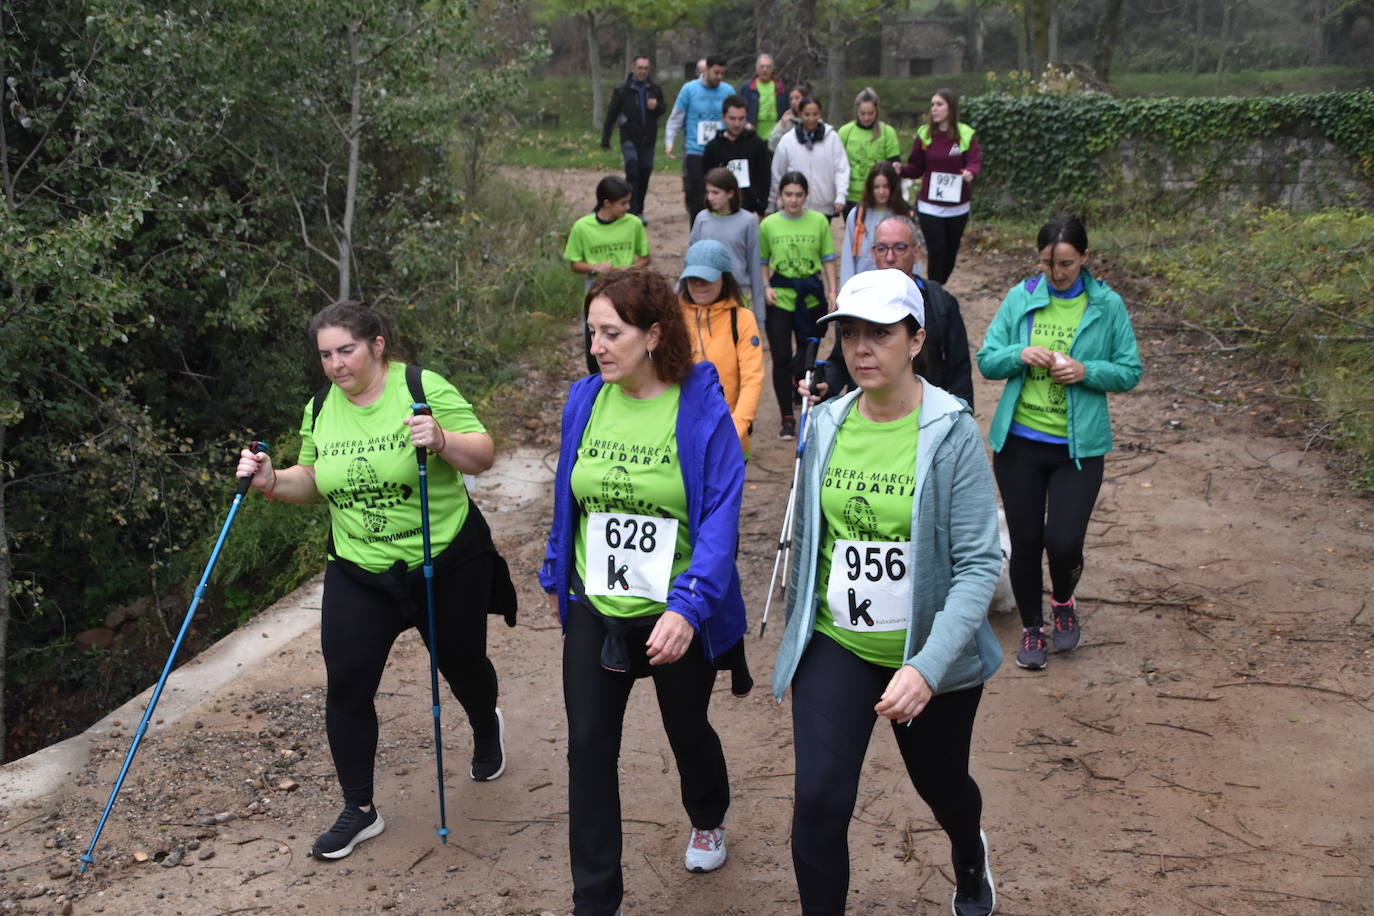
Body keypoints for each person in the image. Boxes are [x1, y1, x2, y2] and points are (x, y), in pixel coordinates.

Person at [234, 300, 516, 861]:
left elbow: (482, 454)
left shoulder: (421, 386)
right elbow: (313, 481)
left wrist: (440, 440)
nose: (337, 365)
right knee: (347, 683)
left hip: (442, 562)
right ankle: (359, 809)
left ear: (377, 345)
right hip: (359, 570)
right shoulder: (320, 407)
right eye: (326, 355)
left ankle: (486, 724)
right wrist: (271, 480)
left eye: (347, 350)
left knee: (462, 664)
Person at [772, 269, 1003, 916]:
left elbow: (980, 566)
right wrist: (800, 635)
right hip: (838, 642)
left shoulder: (951, 432)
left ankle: (968, 852)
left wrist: (926, 669)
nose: (861, 348)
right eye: (849, 332)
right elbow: (815, 544)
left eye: (880, 332)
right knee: (818, 799)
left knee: (943, 787)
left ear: (917, 339)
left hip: (931, 656)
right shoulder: (824, 426)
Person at [540, 267, 748, 916]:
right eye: (591, 332)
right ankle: (595, 901)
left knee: (686, 728)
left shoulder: (700, 407)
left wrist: (688, 607)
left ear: (654, 335)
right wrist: (557, 574)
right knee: (588, 750)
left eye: (612, 333)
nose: (597, 345)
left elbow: (720, 518)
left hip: (673, 613)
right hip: (595, 608)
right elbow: (567, 498)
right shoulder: (584, 399)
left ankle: (708, 814)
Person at [976, 214, 1142, 670]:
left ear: (1085, 258)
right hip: (1019, 444)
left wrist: (1086, 371)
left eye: (1067, 263)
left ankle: (1064, 603)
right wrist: (1019, 354)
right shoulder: (1022, 298)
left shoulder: (1106, 305)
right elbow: (988, 360)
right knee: (1026, 541)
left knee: (1063, 542)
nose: (1058, 273)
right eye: (1049, 263)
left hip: (1079, 449)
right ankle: (1033, 628)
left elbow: (1130, 370)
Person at [822, 216, 973, 410]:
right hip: (868, 415)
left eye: (900, 248)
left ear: (917, 252)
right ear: (873, 254)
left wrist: (961, 417)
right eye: (882, 248)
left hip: (929, 417)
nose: (890, 257)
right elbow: (840, 360)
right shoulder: (856, 301)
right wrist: (826, 385)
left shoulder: (941, 303)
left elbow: (959, 369)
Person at [759, 170, 837, 439]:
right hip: (780, 295)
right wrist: (765, 286)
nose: (793, 200)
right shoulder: (769, 224)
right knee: (780, 356)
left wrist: (832, 289)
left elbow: (827, 257)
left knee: (808, 351)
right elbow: (762, 260)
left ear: (806, 196)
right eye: (788, 195)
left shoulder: (818, 222)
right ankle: (787, 417)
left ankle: (798, 386)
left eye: (799, 195)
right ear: (780, 196)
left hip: (811, 293)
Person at [678, 239, 765, 458]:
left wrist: (736, 429)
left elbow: (751, 379)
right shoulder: (673, 317)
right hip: (680, 439)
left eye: (706, 278)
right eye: (693, 278)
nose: (698, 284)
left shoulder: (742, 319)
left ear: (724, 279)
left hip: (729, 440)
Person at [565, 175, 652, 373]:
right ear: (607, 203)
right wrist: (595, 268)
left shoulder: (634, 224)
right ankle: (598, 382)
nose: (628, 207)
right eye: (623, 203)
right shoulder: (582, 227)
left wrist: (632, 268)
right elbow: (574, 264)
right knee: (596, 336)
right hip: (596, 292)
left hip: (629, 290)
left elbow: (646, 257)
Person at [900, 89, 982, 284]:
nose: (934, 109)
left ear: (950, 108)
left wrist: (970, 171)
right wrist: (899, 169)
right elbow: (916, 167)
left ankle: (939, 287)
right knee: (936, 250)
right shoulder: (925, 135)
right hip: (930, 206)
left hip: (958, 207)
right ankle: (934, 293)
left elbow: (975, 160)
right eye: (932, 104)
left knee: (950, 254)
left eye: (939, 104)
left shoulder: (965, 134)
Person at [690, 167, 766, 323]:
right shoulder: (701, 219)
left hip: (738, 295)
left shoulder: (748, 221)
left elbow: (754, 266)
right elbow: (691, 261)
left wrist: (759, 316)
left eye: (715, 192)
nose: (710, 197)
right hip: (708, 294)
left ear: (731, 193)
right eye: (708, 192)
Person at [664, 55, 736, 221]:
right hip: (696, 151)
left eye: (722, 74)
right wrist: (669, 141)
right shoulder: (689, 89)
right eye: (716, 72)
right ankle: (697, 235)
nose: (719, 77)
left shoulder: (728, 91)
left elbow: (736, 118)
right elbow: (676, 117)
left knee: (724, 193)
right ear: (707, 69)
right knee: (697, 196)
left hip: (721, 149)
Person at [600, 56, 665, 221]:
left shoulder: (654, 89)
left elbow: (663, 109)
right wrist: (605, 139)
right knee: (632, 170)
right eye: (640, 68)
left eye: (646, 68)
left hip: (648, 139)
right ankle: (631, 209)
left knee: (645, 172)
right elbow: (611, 115)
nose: (643, 71)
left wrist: (656, 106)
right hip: (629, 138)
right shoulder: (622, 90)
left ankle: (640, 209)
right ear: (633, 69)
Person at [768, 96, 848, 220]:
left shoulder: (832, 138)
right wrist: (772, 202)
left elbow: (841, 168)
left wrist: (841, 195)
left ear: (820, 114)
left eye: (815, 114)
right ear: (800, 114)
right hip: (794, 205)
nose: (811, 119)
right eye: (807, 114)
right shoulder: (788, 140)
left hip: (824, 206)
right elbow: (778, 172)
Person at [840, 161, 911, 286]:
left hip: (895, 286)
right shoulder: (857, 215)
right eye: (877, 187)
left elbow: (913, 256)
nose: (881, 191)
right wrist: (846, 290)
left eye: (886, 187)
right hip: (863, 286)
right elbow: (847, 258)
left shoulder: (904, 215)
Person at [702, 94, 772, 215]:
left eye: (741, 119)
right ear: (723, 118)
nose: (737, 123)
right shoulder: (712, 147)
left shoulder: (757, 144)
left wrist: (762, 208)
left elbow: (765, 178)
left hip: (750, 209)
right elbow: (705, 179)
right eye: (732, 118)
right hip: (720, 210)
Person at [837, 87, 901, 218]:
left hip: (879, 195)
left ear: (877, 111)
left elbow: (894, 165)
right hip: (852, 195)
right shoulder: (845, 132)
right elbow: (837, 164)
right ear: (857, 112)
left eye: (870, 113)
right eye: (863, 113)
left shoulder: (887, 132)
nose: (866, 117)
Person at [740, 53, 787, 139]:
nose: (765, 70)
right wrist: (746, 124)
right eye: (762, 67)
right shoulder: (747, 88)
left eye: (768, 67)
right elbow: (739, 110)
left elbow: (787, 110)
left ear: (772, 69)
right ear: (757, 69)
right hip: (754, 132)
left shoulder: (780, 87)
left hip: (776, 132)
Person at [767, 81, 812, 151]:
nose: (793, 102)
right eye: (791, 99)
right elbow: (772, 146)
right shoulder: (786, 120)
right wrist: (782, 126)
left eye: (797, 98)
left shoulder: (813, 119)